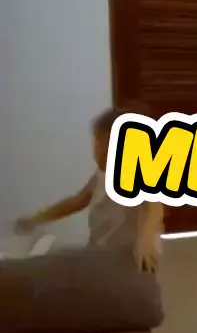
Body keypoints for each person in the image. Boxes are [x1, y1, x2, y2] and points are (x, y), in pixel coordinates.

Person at [14, 106, 163, 273]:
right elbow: (77, 201)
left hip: (132, 255)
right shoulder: (101, 175)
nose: (98, 153)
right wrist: (37, 219)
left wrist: (145, 241)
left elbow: (154, 209)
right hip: (102, 248)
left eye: (105, 148)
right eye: (97, 144)